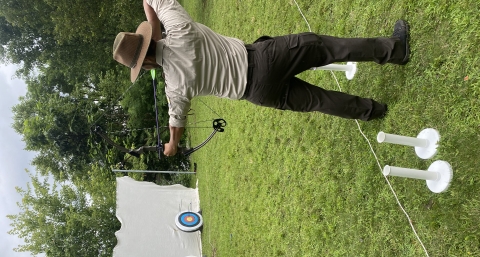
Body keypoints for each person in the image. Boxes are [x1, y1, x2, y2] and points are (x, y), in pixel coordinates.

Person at [113, 0, 410, 156]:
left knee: (318, 100)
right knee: (326, 48)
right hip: (262, 58)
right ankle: (394, 51)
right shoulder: (179, 27)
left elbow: (175, 121)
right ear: (150, 37)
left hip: (257, 94)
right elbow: (151, 0)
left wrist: (171, 144)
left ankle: (374, 111)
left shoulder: (174, 86)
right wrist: (154, 23)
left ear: (147, 63)